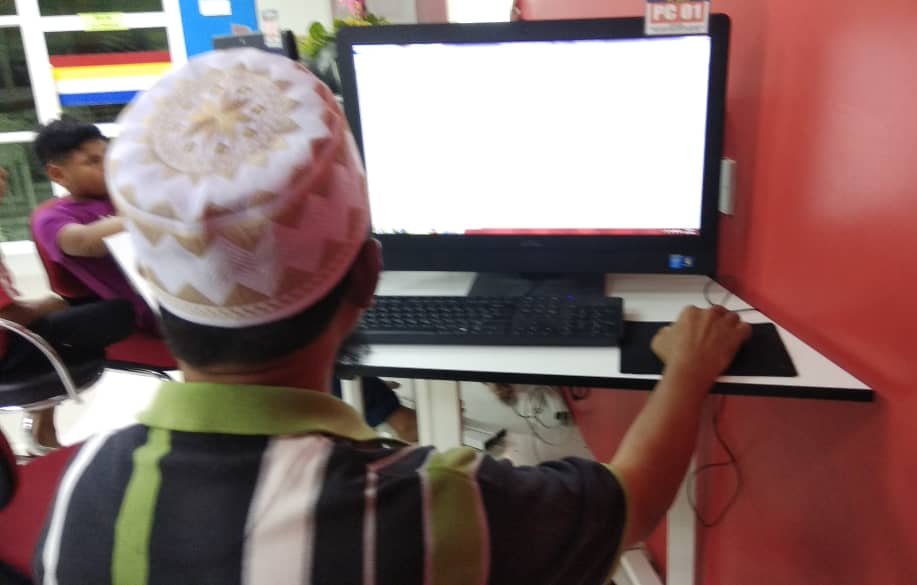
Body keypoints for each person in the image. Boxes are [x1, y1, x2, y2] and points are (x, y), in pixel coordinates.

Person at [34, 49, 750, 584]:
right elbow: (628, 505)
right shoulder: (432, 505)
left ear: (159, 284)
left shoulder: (84, 482)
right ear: (369, 273)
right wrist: (686, 371)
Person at [0, 167, 135, 449]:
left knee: (72, 313)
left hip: (12, 337)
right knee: (118, 312)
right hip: (8, 347)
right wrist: (49, 304)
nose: (3, 179)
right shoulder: (52, 217)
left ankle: (42, 426)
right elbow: (8, 314)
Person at [30, 119, 155, 333]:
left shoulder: (126, 195)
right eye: (93, 161)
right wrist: (151, 214)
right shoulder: (51, 217)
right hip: (145, 315)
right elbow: (85, 241)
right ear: (58, 174)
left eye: (109, 157)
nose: (108, 166)